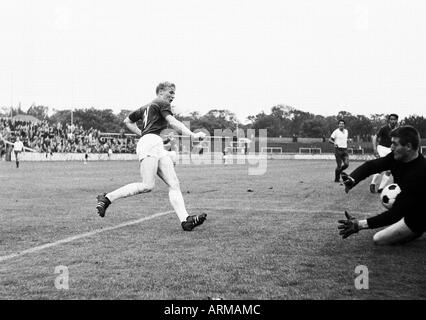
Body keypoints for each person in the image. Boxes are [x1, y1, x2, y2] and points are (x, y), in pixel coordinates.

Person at [96, 81, 207, 231]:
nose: (173, 96)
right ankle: (107, 198)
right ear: (160, 92)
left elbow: (127, 121)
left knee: (174, 183)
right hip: (150, 143)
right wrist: (193, 135)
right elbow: (173, 122)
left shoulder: (146, 106)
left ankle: (185, 220)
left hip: (153, 142)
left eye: (174, 93)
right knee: (147, 185)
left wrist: (144, 134)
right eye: (170, 92)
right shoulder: (161, 102)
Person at [338, 126, 425, 245]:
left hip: (420, 214)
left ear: (408, 147)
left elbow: (394, 215)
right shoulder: (396, 158)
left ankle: (418, 230)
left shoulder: (419, 174)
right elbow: (372, 166)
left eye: (395, 144)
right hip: (413, 204)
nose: (391, 147)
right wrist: (353, 179)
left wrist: (359, 225)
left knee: (378, 239)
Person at [369, 113, 399, 193]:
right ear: (389, 120)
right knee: (381, 167)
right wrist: (375, 148)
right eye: (391, 119)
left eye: (394, 119)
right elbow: (375, 137)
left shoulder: (398, 130)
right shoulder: (384, 128)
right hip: (382, 148)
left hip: (390, 150)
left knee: (389, 170)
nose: (393, 121)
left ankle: (381, 188)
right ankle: (373, 183)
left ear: (397, 120)